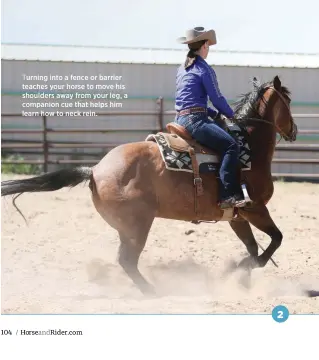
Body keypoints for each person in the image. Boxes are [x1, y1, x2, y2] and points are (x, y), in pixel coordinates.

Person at [175, 26, 246, 209]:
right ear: (205, 45)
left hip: (180, 119)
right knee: (231, 145)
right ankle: (226, 196)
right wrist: (233, 115)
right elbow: (217, 98)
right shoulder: (204, 68)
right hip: (195, 121)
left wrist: (213, 113)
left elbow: (191, 100)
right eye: (209, 45)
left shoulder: (183, 68)